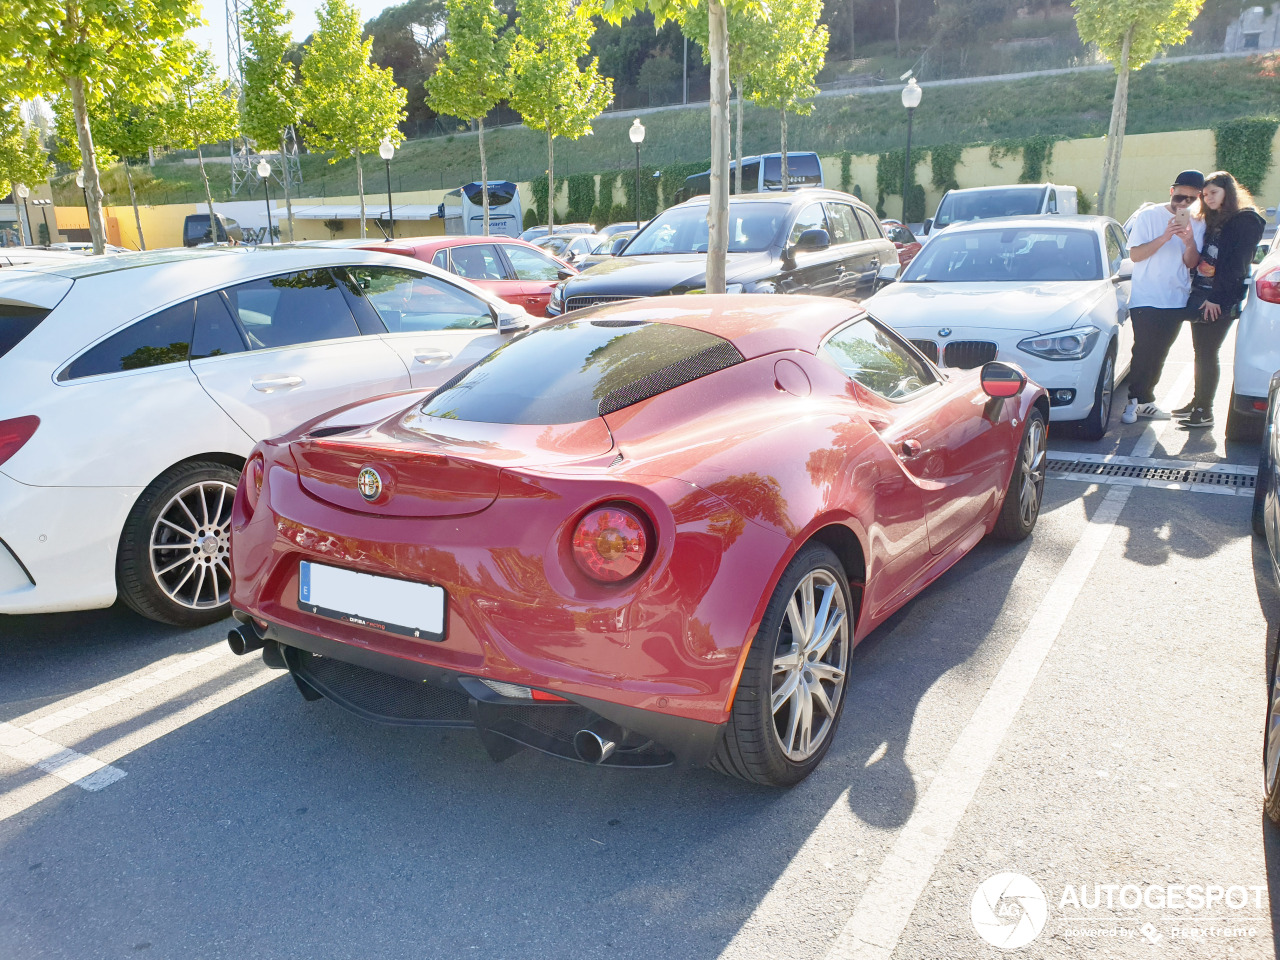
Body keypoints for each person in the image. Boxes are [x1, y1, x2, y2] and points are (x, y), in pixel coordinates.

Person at [1176, 171, 1267, 428]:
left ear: (1228, 191)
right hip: (1202, 294)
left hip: (1220, 298)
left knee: (1207, 352)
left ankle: (1204, 411)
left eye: (1213, 193)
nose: (1208, 198)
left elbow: (1237, 266)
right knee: (1200, 352)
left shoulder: (1245, 220)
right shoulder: (1214, 219)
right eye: (1205, 195)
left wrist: (1217, 298)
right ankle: (1197, 401)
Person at [1120, 171, 1206, 424]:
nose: (1183, 203)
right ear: (1171, 191)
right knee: (1144, 350)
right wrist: (1166, 236)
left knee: (1160, 352)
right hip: (1146, 295)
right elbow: (1136, 255)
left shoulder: (1198, 223)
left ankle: (1145, 400)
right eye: (1180, 196)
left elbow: (1192, 263)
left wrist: (1189, 242)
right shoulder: (1149, 216)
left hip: (1176, 297)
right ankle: (1133, 401)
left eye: (1191, 199)